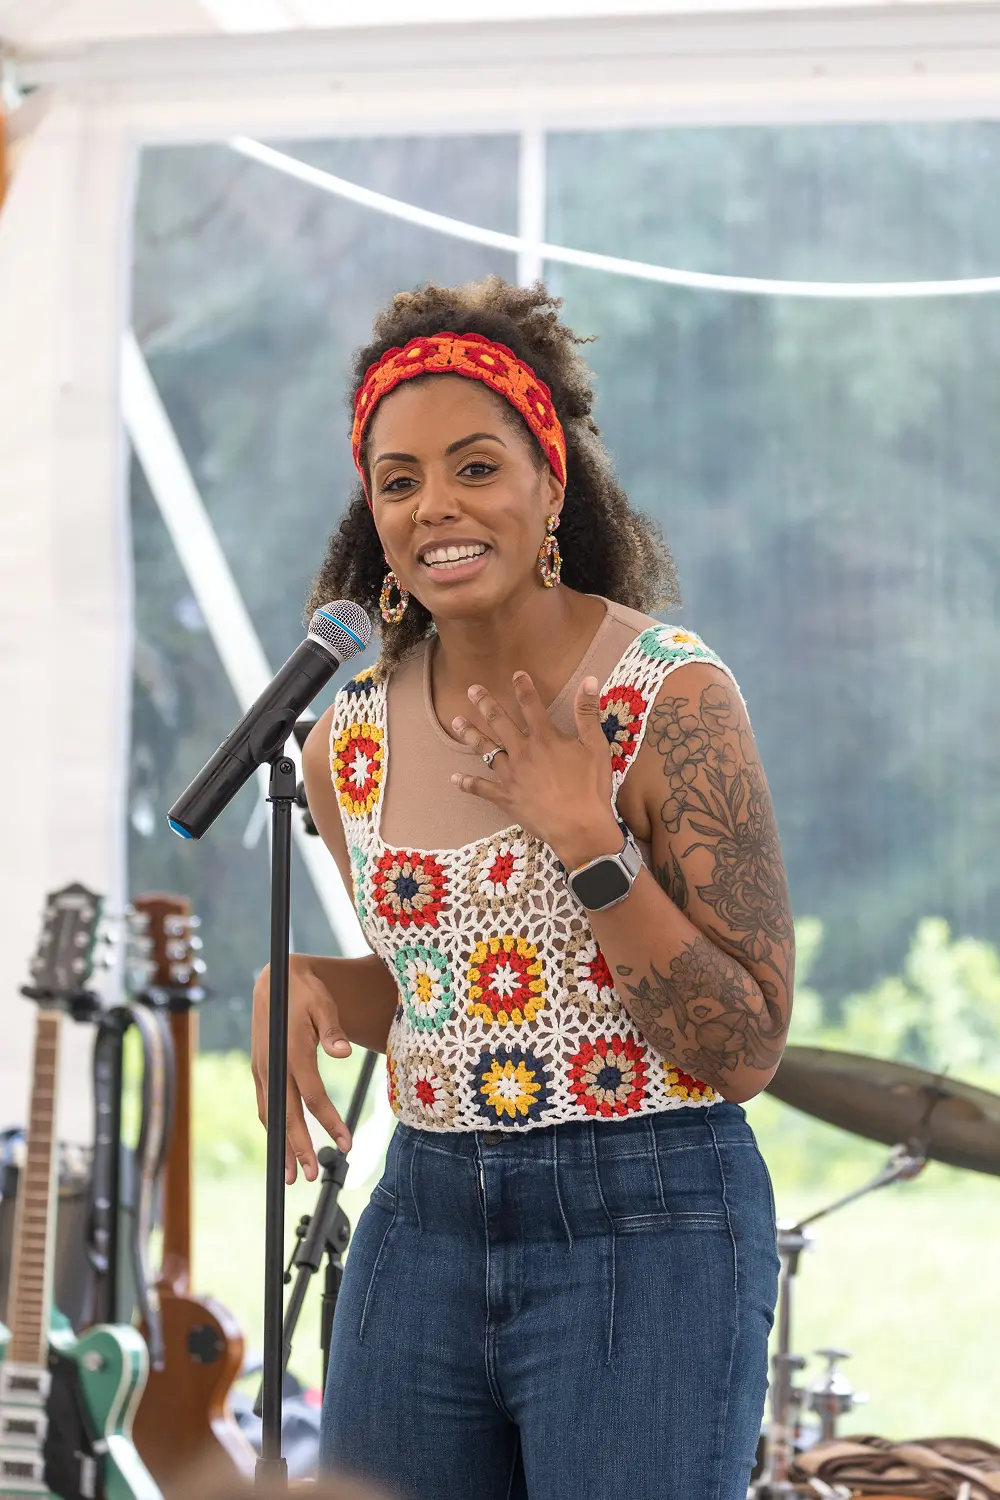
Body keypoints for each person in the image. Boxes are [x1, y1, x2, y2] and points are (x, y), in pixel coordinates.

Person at [251, 277, 794, 1500]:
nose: (434, 505)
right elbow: (441, 990)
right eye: (398, 480)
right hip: (424, 1219)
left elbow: (747, 1046)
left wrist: (588, 841)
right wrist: (315, 985)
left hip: (652, 1225)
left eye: (475, 466)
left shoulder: (670, 697)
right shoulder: (350, 738)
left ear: (551, 484)